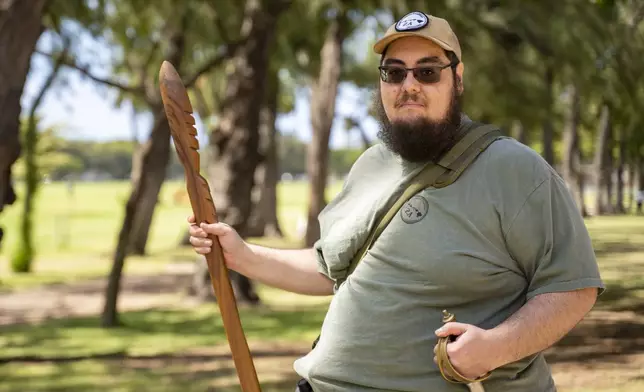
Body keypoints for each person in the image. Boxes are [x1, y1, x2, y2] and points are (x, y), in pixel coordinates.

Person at [187, 11, 605, 392]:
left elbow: (574, 288)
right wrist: (242, 256)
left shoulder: (514, 169)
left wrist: (494, 348)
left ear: (457, 79)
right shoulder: (372, 163)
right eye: (394, 72)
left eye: (427, 72)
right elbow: (330, 269)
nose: (409, 86)